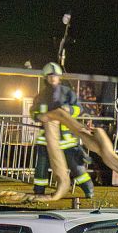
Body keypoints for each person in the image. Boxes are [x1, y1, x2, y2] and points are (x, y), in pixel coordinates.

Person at [30, 62, 94, 199]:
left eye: (55, 76)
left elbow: (78, 109)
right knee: (41, 167)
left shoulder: (67, 93)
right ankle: (38, 191)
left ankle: (89, 190)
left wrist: (69, 110)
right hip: (46, 140)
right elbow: (33, 111)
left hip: (66, 139)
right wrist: (38, 116)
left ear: (59, 77)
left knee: (76, 167)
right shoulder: (41, 95)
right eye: (50, 76)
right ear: (46, 78)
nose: (53, 78)